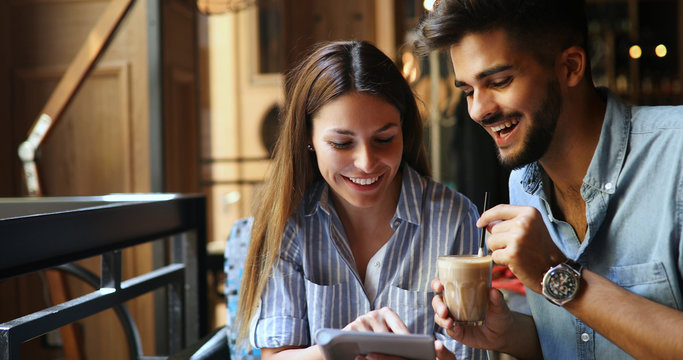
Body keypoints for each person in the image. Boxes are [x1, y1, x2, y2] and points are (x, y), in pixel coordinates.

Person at [415, 0, 683, 359]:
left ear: (570, 67)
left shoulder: (676, 154)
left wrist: (557, 274)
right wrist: (509, 333)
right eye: (468, 91)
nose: (478, 110)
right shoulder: (521, 186)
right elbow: (583, 341)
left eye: (499, 81)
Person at [234, 40, 487, 359]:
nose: (367, 163)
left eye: (384, 139)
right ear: (308, 139)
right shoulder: (290, 222)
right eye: (341, 144)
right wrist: (347, 344)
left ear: (404, 132)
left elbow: (467, 352)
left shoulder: (455, 218)